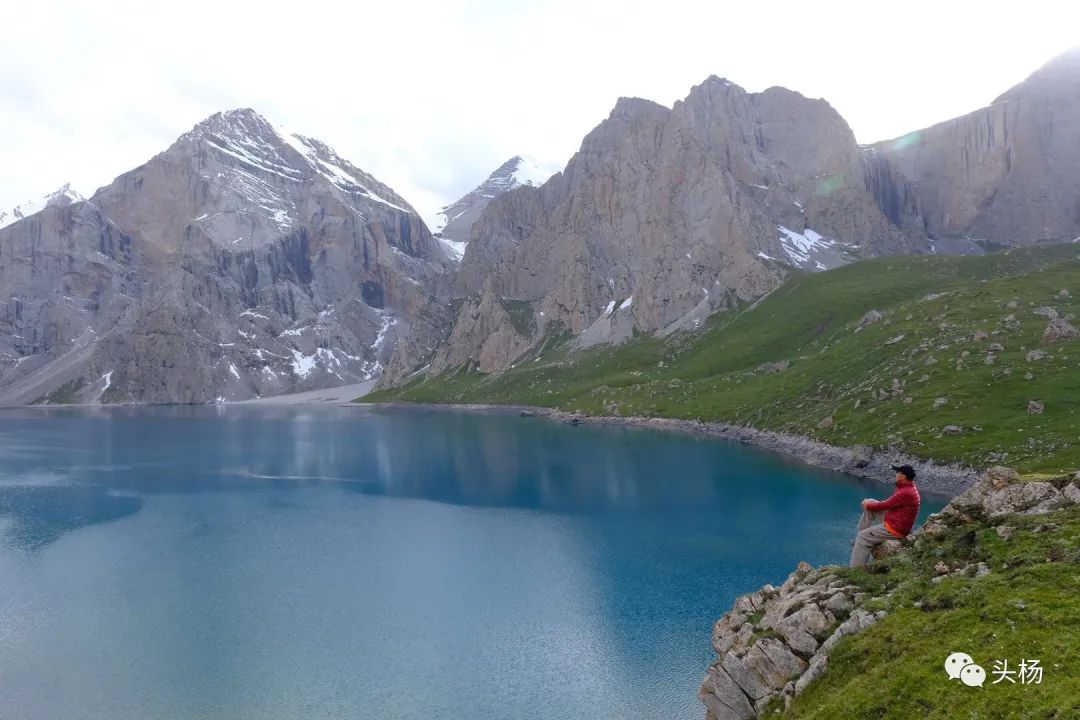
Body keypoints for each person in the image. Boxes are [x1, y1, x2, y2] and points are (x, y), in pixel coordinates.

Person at [849, 464, 921, 567]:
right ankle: (860, 539)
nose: (896, 474)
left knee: (862, 536)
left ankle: (855, 569)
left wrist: (867, 505)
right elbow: (889, 503)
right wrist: (869, 504)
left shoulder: (905, 492)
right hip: (896, 519)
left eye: (898, 472)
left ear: (903, 476)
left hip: (895, 528)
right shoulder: (907, 488)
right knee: (870, 502)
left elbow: (886, 505)